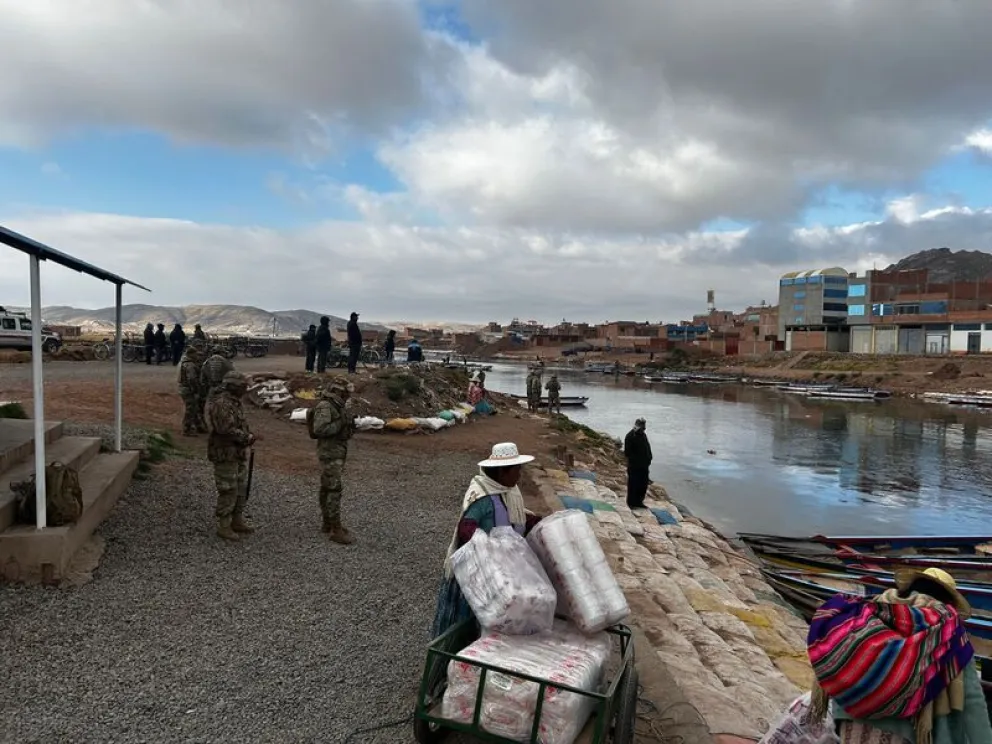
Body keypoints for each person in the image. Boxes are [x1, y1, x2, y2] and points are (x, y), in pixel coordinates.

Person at [808, 567, 992, 744]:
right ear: (948, 601)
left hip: (852, 726)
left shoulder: (868, 612)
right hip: (904, 734)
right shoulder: (949, 632)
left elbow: (847, 664)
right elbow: (972, 703)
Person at [431, 443, 542, 639]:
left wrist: (539, 523)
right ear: (501, 472)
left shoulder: (509, 492)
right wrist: (488, 545)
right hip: (478, 576)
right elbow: (466, 528)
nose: (519, 475)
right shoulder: (481, 496)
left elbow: (515, 519)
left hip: (503, 574)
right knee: (466, 630)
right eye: (516, 470)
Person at [205, 371, 256, 541]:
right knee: (228, 489)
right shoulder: (221, 404)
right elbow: (224, 429)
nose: (245, 389)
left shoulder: (234, 403)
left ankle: (237, 520)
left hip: (237, 452)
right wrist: (246, 437)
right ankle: (224, 525)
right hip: (225, 453)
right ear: (233, 386)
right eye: (242, 386)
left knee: (240, 487)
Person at [307, 377, 355, 544]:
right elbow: (320, 429)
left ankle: (328, 523)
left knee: (328, 487)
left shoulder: (337, 406)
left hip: (336, 451)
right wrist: (341, 422)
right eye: (345, 393)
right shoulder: (325, 406)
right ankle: (335, 528)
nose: (347, 396)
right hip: (329, 453)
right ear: (337, 392)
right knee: (334, 489)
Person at [177, 343, 207, 436]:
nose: (197, 356)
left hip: (183, 388)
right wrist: (196, 390)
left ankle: (198, 426)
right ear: (191, 354)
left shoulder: (183, 362)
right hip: (188, 390)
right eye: (195, 354)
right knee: (191, 410)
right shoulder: (190, 365)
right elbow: (192, 379)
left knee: (194, 408)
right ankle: (186, 429)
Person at [623, 418, 652, 509]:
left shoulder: (643, 435)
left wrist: (649, 458)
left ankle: (639, 502)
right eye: (642, 426)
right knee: (633, 484)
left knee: (643, 484)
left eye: (644, 426)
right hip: (634, 466)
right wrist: (636, 461)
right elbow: (627, 452)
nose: (644, 428)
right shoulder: (630, 436)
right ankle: (631, 503)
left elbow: (647, 447)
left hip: (644, 465)